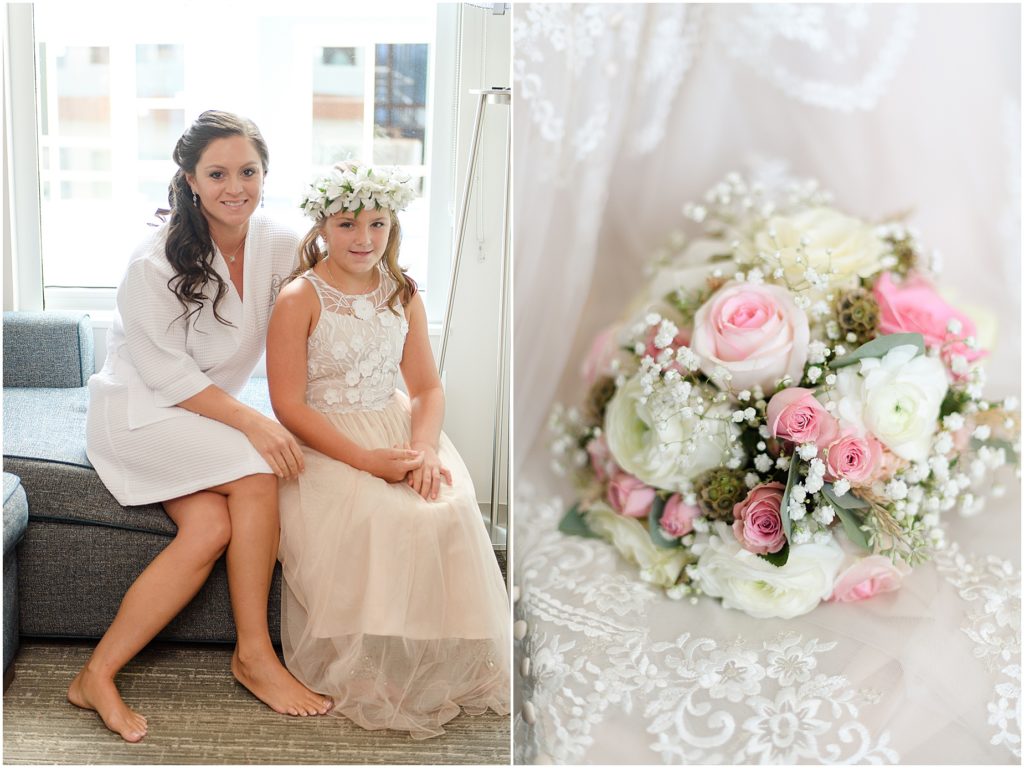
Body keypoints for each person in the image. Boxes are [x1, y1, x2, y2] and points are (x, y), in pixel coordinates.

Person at [69, 110, 334, 743]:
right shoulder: (153, 263)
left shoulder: (278, 242)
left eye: (249, 171)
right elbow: (166, 379)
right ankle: (254, 656)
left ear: (266, 175)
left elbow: (340, 278)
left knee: (211, 526)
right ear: (189, 179)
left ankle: (95, 675)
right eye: (217, 174)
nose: (235, 187)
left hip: (201, 415)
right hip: (138, 414)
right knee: (259, 469)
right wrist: (257, 425)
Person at [266, 161, 511, 739]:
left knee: (446, 506)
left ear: (393, 226)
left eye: (377, 224)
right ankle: (368, 667)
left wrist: (423, 451)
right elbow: (289, 406)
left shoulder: (401, 293)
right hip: (329, 441)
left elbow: (427, 387)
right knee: (381, 514)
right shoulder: (300, 297)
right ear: (323, 227)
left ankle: (430, 660)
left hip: (397, 430)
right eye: (348, 224)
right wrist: (367, 462)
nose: (363, 239)